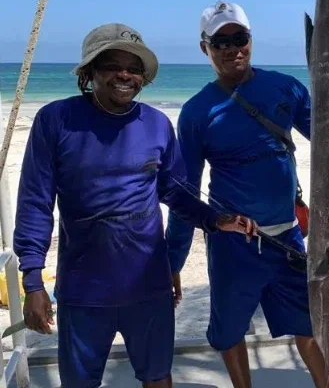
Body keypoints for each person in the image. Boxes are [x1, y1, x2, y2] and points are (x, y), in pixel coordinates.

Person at [13, 23, 257, 388]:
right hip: (83, 289)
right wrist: (33, 281)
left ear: (144, 77)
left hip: (149, 287)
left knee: (158, 378)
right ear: (88, 72)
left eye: (134, 68)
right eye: (112, 65)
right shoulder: (55, 120)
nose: (124, 75)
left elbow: (175, 193)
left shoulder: (157, 124)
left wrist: (215, 219)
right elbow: (35, 202)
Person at [165, 1, 329, 388]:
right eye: (220, 42)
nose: (232, 49)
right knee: (230, 331)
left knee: (309, 326)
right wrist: (173, 260)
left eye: (239, 38)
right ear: (204, 48)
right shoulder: (196, 112)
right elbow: (184, 193)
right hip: (233, 245)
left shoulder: (286, 88)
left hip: (288, 239)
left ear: (251, 40)